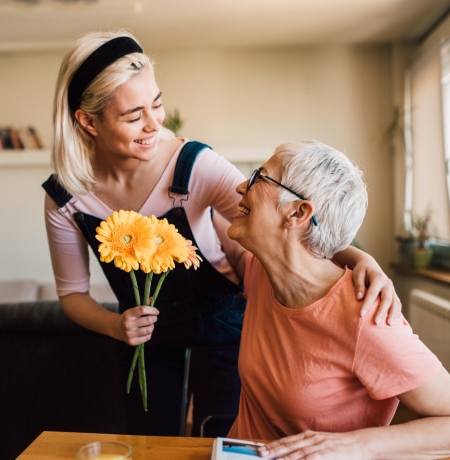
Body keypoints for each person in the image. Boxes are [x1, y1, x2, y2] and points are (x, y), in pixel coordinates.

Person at [43, 30, 401, 436]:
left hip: (226, 332)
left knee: (222, 439)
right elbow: (72, 294)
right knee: (149, 445)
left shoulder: (195, 165)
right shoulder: (65, 197)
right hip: (145, 346)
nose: (153, 124)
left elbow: (284, 228)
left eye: (156, 105)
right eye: (133, 116)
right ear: (88, 121)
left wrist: (360, 258)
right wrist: (114, 326)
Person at [226, 140, 450, 458]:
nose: (241, 185)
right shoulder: (262, 269)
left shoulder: (366, 315)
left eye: (257, 177)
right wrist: (360, 256)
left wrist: (355, 444)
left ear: (298, 212)